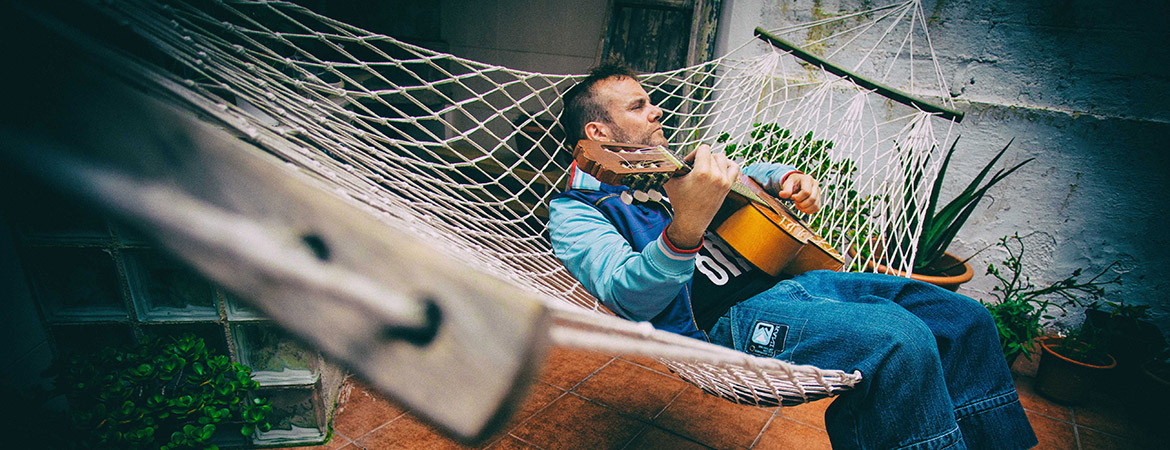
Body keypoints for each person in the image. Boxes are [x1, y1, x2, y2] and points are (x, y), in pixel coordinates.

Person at [549, 64, 1037, 450]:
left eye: (651, 102)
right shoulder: (575, 212)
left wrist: (786, 180)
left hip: (793, 284)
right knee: (898, 339)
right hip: (723, 322)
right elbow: (627, 294)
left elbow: (748, 173)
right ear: (600, 132)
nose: (655, 111)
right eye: (639, 106)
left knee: (963, 318)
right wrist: (686, 227)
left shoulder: (671, 167)